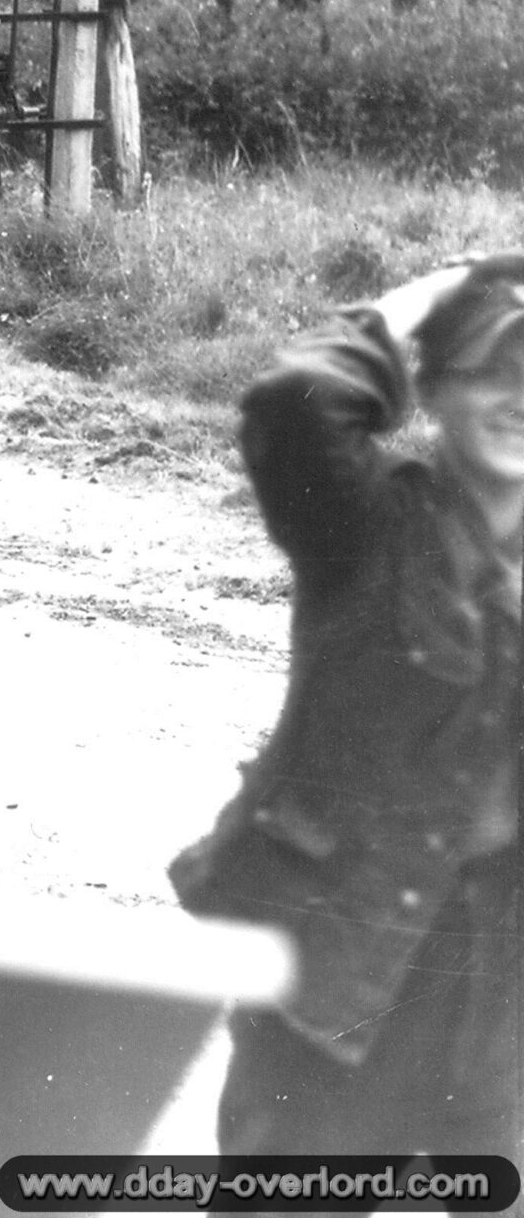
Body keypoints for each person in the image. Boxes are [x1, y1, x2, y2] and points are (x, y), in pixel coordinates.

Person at [171, 258, 521, 1172]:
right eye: (498, 365)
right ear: (435, 384)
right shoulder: (366, 523)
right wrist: (438, 291)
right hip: (341, 972)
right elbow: (297, 398)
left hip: (494, 991)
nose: (522, 396)